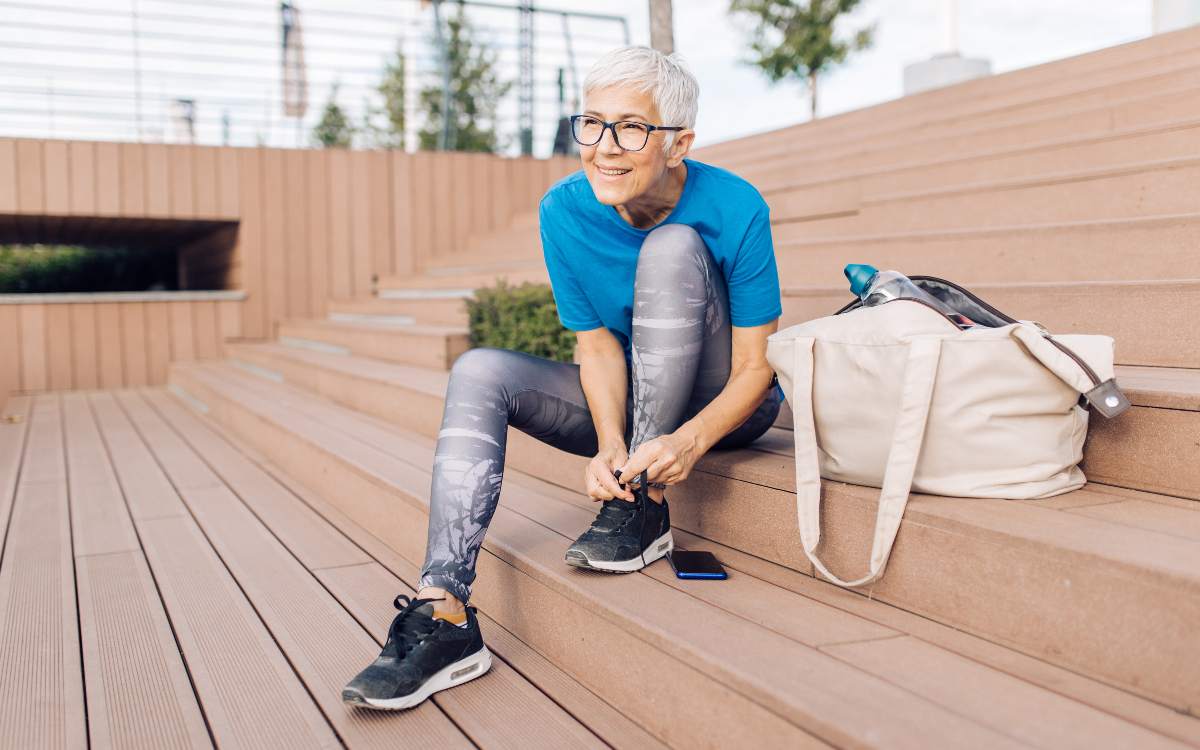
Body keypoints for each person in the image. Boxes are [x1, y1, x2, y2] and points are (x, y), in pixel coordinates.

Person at [343, 45, 782, 710]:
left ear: (679, 142)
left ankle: (639, 503)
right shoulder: (564, 211)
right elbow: (598, 348)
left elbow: (755, 368)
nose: (605, 146)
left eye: (631, 127)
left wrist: (685, 444)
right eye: (592, 122)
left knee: (672, 247)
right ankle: (444, 614)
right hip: (637, 399)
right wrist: (611, 442)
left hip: (724, 407)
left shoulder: (736, 205)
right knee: (478, 368)